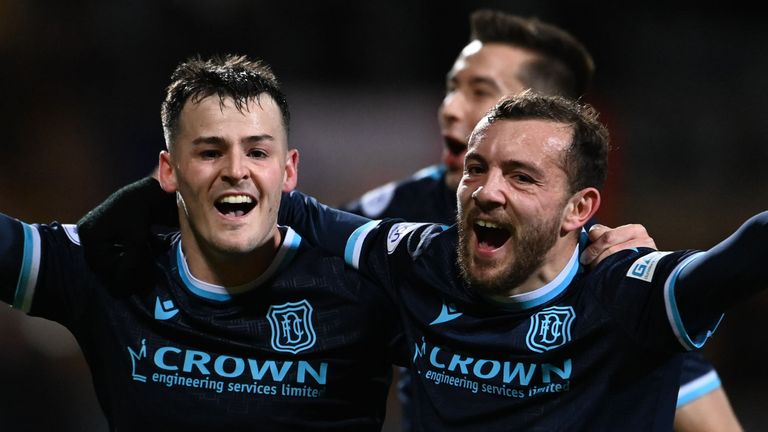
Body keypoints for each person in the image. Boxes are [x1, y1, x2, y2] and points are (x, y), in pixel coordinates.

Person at [341, 10, 740, 431]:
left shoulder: (596, 270)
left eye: (480, 91)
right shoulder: (401, 209)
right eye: (451, 87)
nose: (450, 108)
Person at [277, 92, 767, 430]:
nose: (487, 192)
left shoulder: (631, 295)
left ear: (578, 208)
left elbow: (749, 251)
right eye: (476, 169)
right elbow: (311, 216)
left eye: (521, 177)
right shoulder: (426, 259)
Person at [0, 54, 410, 431]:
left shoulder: (361, 286)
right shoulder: (114, 268)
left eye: (258, 152)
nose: (236, 170)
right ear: (167, 171)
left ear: (289, 171)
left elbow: (470, 321)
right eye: (210, 152)